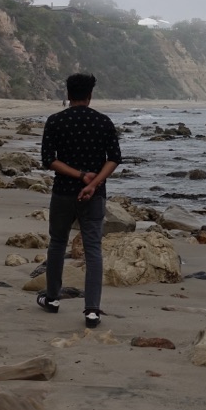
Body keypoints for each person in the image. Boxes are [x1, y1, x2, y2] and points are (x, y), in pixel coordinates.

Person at [38, 73, 122, 329]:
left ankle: (52, 298)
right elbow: (114, 158)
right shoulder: (103, 122)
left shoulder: (55, 121)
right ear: (90, 95)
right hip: (94, 195)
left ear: (68, 93)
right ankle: (92, 310)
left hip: (63, 191)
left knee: (57, 242)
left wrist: (79, 175)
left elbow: (49, 159)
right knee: (93, 249)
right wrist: (92, 183)